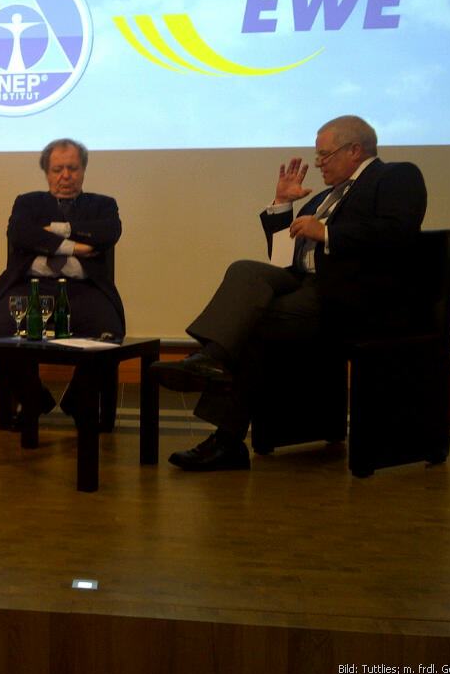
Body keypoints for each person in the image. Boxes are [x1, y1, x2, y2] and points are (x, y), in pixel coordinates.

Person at [153, 115, 427, 471]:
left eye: (325, 155)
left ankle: (224, 430)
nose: (319, 164)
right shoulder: (323, 199)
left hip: (353, 298)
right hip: (306, 287)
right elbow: (283, 259)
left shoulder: (396, 176)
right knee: (245, 269)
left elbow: (398, 233)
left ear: (355, 150)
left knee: (250, 325)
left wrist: (327, 233)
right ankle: (213, 360)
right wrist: (282, 204)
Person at [0, 137, 125, 428]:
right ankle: (34, 398)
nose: (65, 176)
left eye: (72, 168)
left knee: (111, 337)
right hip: (31, 286)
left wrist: (59, 230)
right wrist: (75, 247)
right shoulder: (28, 202)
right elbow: (20, 233)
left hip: (84, 288)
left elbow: (108, 232)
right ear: (46, 172)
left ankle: (77, 400)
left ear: (83, 170)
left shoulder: (103, 205)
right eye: (57, 169)